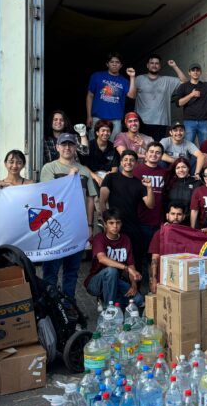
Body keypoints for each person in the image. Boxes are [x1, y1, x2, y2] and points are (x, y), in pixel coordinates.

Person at [39, 133, 97, 300]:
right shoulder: (49, 168)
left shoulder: (84, 170)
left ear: (75, 147)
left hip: (77, 229)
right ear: (57, 147)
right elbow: (49, 194)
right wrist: (71, 178)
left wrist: (89, 226)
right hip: (55, 229)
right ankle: (50, 309)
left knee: (71, 273)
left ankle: (69, 308)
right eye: (63, 144)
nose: (67, 147)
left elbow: (90, 200)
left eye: (70, 144)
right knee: (51, 272)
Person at [99, 150, 155, 274]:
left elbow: (150, 205)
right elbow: (102, 201)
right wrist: (106, 223)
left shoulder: (139, 183)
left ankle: (135, 289)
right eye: (125, 160)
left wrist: (149, 187)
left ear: (136, 163)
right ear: (121, 162)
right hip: (114, 226)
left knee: (136, 260)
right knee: (113, 261)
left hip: (133, 227)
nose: (128, 162)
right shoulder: (111, 177)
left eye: (131, 160)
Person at [85, 208, 143, 310]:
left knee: (138, 300)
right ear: (105, 224)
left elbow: (131, 265)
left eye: (118, 223)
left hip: (115, 281)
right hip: (95, 283)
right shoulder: (99, 238)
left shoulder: (125, 239)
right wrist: (126, 268)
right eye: (111, 223)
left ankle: (110, 300)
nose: (115, 226)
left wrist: (134, 285)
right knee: (112, 271)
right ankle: (109, 310)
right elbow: (102, 259)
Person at [127, 55, 187, 141]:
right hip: (142, 122)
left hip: (161, 121)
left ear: (160, 66)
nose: (154, 65)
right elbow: (131, 96)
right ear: (147, 65)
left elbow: (185, 82)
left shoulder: (167, 80)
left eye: (157, 63)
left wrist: (174, 66)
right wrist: (132, 77)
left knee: (157, 149)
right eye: (152, 63)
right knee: (141, 148)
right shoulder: (139, 79)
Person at [133, 142, 167, 279]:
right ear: (146, 154)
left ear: (161, 155)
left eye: (157, 152)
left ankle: (152, 288)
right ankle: (136, 288)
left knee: (154, 257)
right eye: (151, 151)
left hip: (158, 222)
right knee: (138, 256)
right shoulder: (137, 171)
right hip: (141, 221)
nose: (154, 154)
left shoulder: (165, 173)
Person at [86, 53, 136, 141]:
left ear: (121, 65)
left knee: (114, 144)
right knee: (93, 144)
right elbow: (90, 96)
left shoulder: (124, 81)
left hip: (115, 119)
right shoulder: (97, 76)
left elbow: (131, 95)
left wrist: (132, 77)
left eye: (117, 62)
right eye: (112, 62)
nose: (114, 64)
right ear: (107, 64)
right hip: (97, 117)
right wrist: (89, 116)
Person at [171, 64, 207, 144]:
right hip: (189, 121)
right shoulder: (184, 86)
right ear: (189, 73)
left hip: (204, 121)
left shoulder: (206, 85)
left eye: (197, 70)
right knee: (187, 146)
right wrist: (191, 95)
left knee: (205, 147)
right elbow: (178, 103)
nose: (195, 72)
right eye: (193, 70)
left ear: (200, 73)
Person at [148, 201, 187, 293]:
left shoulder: (188, 234)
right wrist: (153, 280)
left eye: (179, 214)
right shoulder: (159, 234)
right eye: (173, 214)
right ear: (167, 215)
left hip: (184, 280)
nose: (176, 217)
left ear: (184, 217)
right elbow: (155, 258)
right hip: (163, 279)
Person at [83, 119, 119, 186]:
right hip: (92, 176)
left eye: (108, 131)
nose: (105, 133)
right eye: (103, 131)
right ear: (97, 133)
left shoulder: (113, 147)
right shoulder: (89, 145)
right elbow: (84, 166)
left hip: (108, 177)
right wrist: (96, 177)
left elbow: (115, 168)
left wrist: (109, 176)